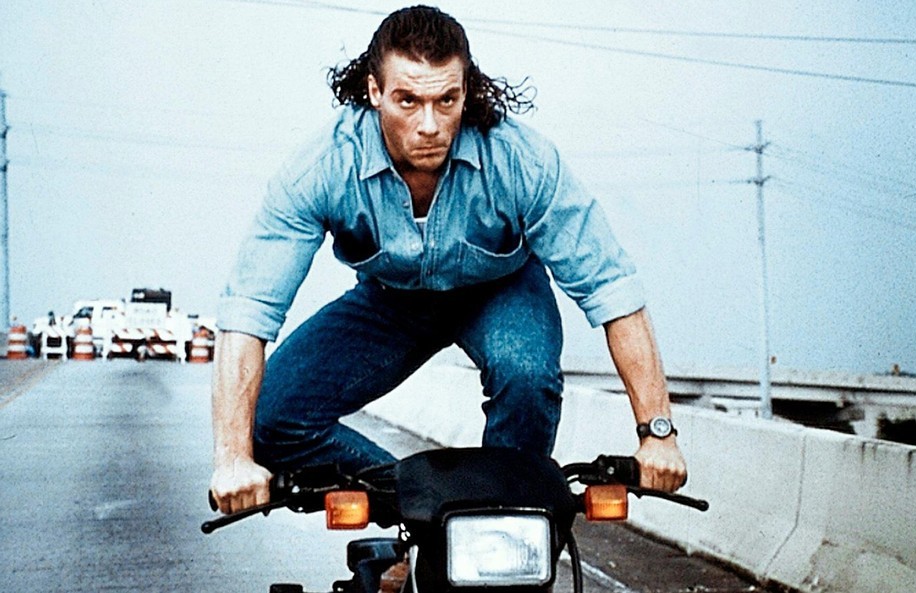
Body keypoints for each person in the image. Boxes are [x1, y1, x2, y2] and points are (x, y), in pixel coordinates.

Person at [211, 5, 687, 516]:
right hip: (392, 303)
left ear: (467, 90)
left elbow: (612, 288)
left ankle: (506, 526)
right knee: (274, 418)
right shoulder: (323, 168)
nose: (430, 125)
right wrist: (233, 457)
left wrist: (657, 431)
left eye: (447, 100)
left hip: (501, 291)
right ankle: (428, 520)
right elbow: (250, 311)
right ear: (374, 93)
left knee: (526, 377)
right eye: (408, 101)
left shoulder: (520, 160)